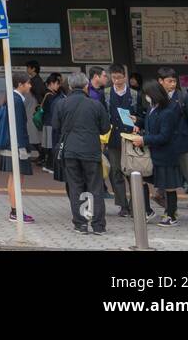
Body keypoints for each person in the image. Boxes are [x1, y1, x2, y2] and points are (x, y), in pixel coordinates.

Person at [125, 80, 185, 227]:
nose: (146, 98)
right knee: (142, 179)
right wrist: (138, 121)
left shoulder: (169, 111)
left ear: (153, 94)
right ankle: (147, 211)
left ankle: (171, 216)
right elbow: (151, 123)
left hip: (166, 155)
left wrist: (143, 139)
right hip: (154, 154)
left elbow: (164, 136)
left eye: (147, 94)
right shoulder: (154, 107)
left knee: (169, 186)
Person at [57, 72, 110, 234]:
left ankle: (80, 224)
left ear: (71, 87)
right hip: (91, 151)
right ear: (86, 86)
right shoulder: (95, 105)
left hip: (70, 151)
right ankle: (98, 225)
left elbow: (57, 125)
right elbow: (105, 128)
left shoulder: (61, 104)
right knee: (95, 188)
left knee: (75, 187)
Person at [157, 66, 188, 225]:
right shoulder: (157, 98)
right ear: (160, 81)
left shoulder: (184, 97)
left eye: (174, 81)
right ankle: (171, 211)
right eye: (169, 81)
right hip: (165, 145)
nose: (172, 84)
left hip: (184, 144)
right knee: (168, 182)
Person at [103, 64, 147, 218]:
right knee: (116, 171)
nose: (117, 80)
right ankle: (122, 204)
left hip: (130, 138)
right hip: (113, 137)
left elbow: (143, 115)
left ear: (125, 77)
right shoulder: (106, 93)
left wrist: (138, 123)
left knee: (132, 171)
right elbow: (103, 114)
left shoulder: (134, 94)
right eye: (114, 77)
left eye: (120, 77)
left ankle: (134, 203)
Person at [0, 73, 34, 224]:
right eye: (28, 83)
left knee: (13, 178)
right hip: (17, 145)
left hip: (9, 144)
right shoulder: (17, 100)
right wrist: (24, 146)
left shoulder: (11, 98)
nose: (30, 86)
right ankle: (15, 212)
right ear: (20, 84)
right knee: (18, 179)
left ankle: (14, 210)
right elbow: (19, 126)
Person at [39, 73, 65, 173]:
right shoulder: (50, 95)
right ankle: (50, 166)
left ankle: (47, 165)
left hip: (47, 122)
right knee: (51, 146)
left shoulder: (48, 94)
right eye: (57, 84)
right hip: (50, 122)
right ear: (52, 83)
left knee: (49, 146)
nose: (58, 86)